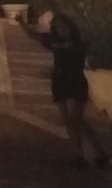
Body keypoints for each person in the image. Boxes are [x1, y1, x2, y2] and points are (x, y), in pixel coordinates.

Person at [21, 12, 110, 169]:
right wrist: (21, 22)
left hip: (75, 82)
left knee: (76, 118)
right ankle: (79, 155)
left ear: (70, 25)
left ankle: (99, 153)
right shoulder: (53, 40)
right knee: (68, 120)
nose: (61, 28)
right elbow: (33, 35)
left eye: (64, 25)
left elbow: (93, 40)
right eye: (57, 25)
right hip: (59, 82)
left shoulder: (79, 41)